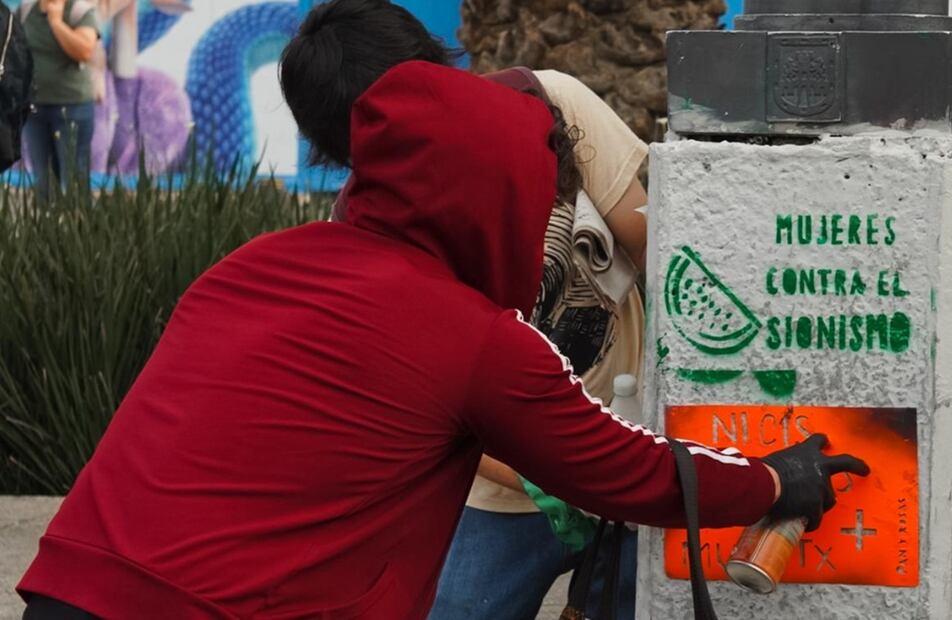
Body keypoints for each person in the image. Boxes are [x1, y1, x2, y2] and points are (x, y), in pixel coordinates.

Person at [18, 18, 868, 620]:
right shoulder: (477, 342)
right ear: (495, 195)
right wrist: (772, 481)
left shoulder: (252, 266)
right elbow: (626, 472)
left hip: (71, 590)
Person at [307, 2, 648, 616]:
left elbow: (655, 246)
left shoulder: (553, 105)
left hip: (632, 457)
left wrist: (642, 455)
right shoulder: (359, 229)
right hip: (498, 494)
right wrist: (545, 478)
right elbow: (421, 402)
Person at [21, 0, 100, 202]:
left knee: (73, 181)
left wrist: (56, 23)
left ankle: (78, 230)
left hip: (72, 108)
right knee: (43, 181)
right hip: (34, 108)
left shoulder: (80, 11)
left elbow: (84, 51)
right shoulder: (26, 10)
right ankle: (47, 229)